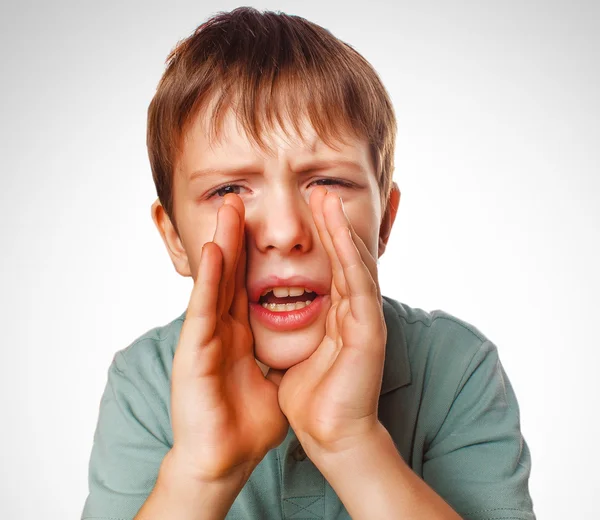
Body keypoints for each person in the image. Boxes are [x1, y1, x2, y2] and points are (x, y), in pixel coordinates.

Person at [81, 7, 536, 520]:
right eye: (229, 189)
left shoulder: (456, 368)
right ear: (175, 239)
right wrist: (202, 472)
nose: (285, 232)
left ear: (384, 222)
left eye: (328, 183)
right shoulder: (144, 382)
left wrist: (352, 444)